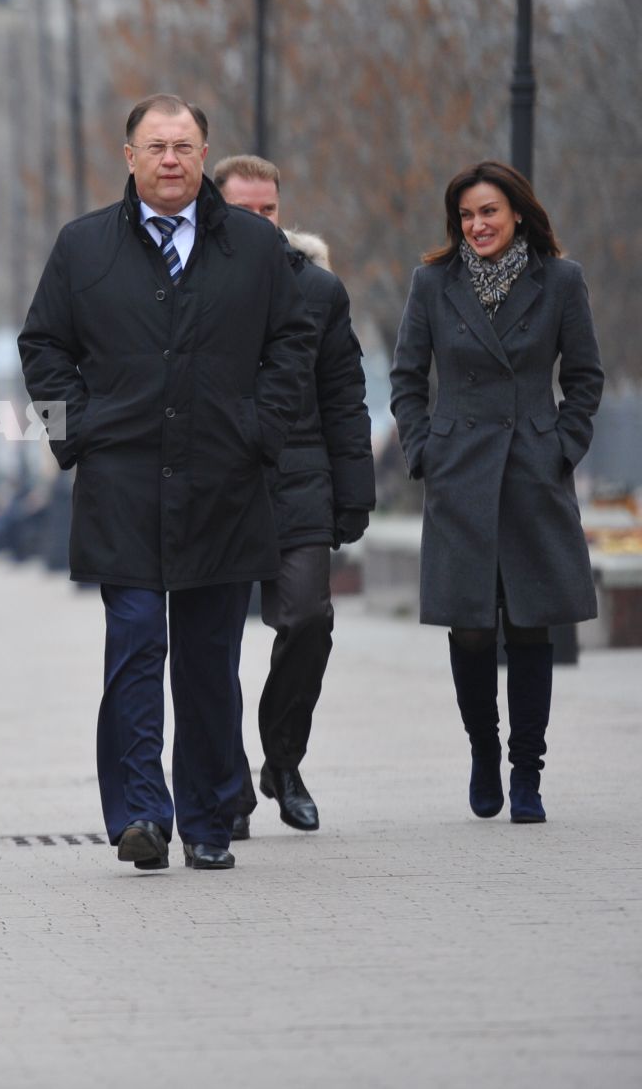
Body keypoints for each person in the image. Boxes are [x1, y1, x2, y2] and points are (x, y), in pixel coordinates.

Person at [19, 95, 312, 873]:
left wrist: (263, 428)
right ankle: (142, 813)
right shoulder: (84, 248)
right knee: (136, 647)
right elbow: (42, 345)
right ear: (129, 156)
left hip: (223, 484)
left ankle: (211, 816)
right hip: (123, 484)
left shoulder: (252, 246)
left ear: (206, 151)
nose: (172, 159)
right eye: (157, 146)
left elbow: (293, 342)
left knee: (210, 662)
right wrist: (74, 428)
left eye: (185, 146)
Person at [390, 161, 601, 824]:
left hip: (533, 472)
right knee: (473, 629)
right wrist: (425, 450)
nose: (477, 225)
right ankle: (485, 751)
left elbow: (586, 377)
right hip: (460, 474)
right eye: (466, 216)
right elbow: (405, 379)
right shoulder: (433, 283)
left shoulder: (560, 280)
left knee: (530, 623)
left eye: (489, 212)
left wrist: (560, 446)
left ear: (516, 214)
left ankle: (527, 774)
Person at [211, 154, 375, 837]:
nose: (258, 222)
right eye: (243, 211)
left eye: (268, 211)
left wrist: (354, 490)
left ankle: (283, 759)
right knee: (209, 642)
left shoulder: (318, 291)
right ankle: (222, 783)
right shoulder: (189, 282)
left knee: (307, 619)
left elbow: (345, 396)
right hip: (216, 482)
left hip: (300, 476)